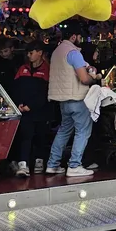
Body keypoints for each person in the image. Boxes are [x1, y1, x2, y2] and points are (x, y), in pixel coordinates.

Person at [45, 22, 99, 177]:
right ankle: (75, 165)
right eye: (80, 37)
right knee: (82, 132)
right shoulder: (73, 52)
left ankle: (52, 164)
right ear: (74, 36)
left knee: (63, 131)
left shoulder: (57, 51)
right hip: (78, 98)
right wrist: (94, 78)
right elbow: (83, 79)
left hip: (63, 100)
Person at [10, 42, 50, 177]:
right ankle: (23, 165)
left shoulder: (47, 70)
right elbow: (15, 88)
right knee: (25, 136)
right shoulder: (23, 68)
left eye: (31, 52)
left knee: (40, 136)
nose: (29, 55)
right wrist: (19, 103)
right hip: (24, 110)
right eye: (27, 53)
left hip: (40, 110)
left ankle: (39, 162)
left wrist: (32, 105)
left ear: (40, 53)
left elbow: (46, 92)